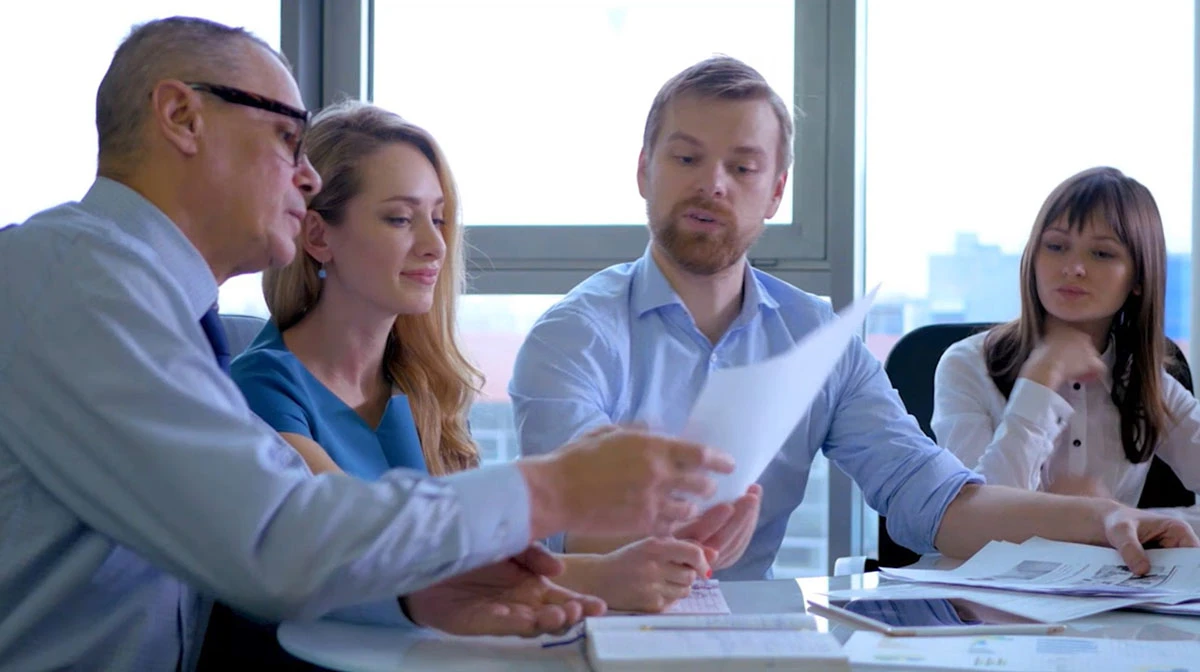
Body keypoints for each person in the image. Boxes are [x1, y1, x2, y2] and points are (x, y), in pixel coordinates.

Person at [0, 17, 735, 671]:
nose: (307, 173)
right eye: (287, 135)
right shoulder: (79, 284)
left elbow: (250, 541)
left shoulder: (144, 305)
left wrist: (420, 599)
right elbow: (275, 537)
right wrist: (555, 486)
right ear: (181, 116)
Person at [509, 55, 1199, 583]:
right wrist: (660, 534)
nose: (712, 183)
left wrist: (1105, 519)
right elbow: (568, 525)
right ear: (643, 171)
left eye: (743, 166)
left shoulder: (817, 338)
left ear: (776, 191)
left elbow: (934, 501)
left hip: (750, 633)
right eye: (686, 158)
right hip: (591, 625)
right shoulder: (574, 335)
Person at [230, 99, 725, 614]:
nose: (434, 245)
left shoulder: (416, 387)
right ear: (317, 235)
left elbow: (460, 557)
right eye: (400, 218)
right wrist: (598, 575)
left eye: (439, 218)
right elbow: (364, 549)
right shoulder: (259, 388)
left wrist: (654, 545)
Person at [932, 167, 1200, 530]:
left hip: (1107, 582)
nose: (1073, 268)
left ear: (1138, 278)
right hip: (986, 585)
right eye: (1056, 246)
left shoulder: (1144, 379)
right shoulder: (966, 366)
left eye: (1102, 254)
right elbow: (975, 524)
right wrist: (1040, 381)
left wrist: (1118, 518)